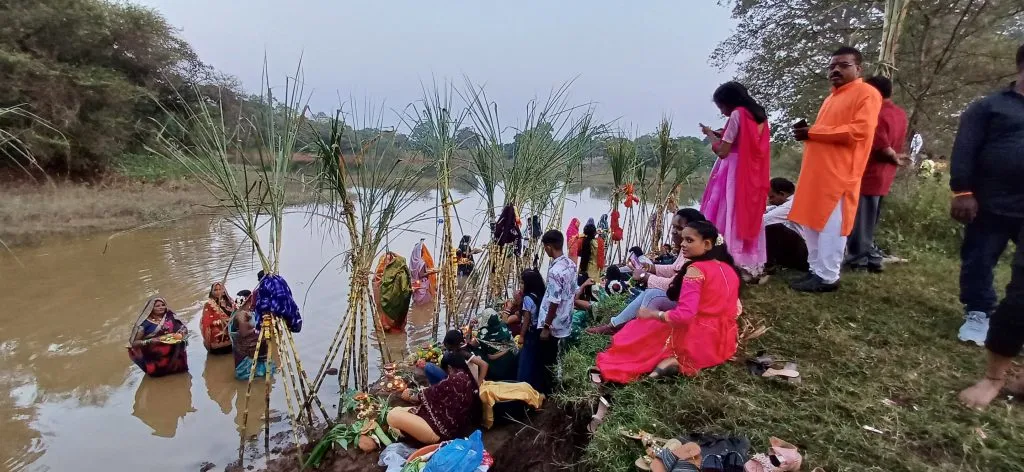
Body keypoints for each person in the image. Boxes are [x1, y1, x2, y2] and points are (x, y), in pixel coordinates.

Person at [955, 44, 1024, 409]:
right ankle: (978, 312)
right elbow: (965, 148)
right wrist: (963, 190)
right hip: (991, 203)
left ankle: (1013, 332)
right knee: (980, 258)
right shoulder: (991, 108)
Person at [594, 221, 741, 383]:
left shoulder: (696, 270)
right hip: (724, 341)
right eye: (683, 239)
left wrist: (654, 314)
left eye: (689, 240)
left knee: (637, 332)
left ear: (707, 244)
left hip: (698, 339)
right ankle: (672, 362)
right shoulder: (728, 268)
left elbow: (685, 315)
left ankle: (674, 360)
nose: (683, 244)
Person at [789, 46, 883, 292]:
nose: (835, 70)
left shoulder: (867, 93)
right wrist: (808, 134)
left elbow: (858, 132)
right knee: (810, 222)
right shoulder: (832, 97)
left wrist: (813, 132)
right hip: (816, 172)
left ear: (858, 68)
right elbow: (826, 134)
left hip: (840, 175)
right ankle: (815, 270)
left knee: (831, 227)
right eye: (832, 66)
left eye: (843, 65)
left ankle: (828, 277)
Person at [586, 208, 706, 335]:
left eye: (679, 228)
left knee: (652, 294)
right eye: (673, 227)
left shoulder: (694, 252)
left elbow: (674, 284)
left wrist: (645, 276)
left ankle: (635, 335)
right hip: (682, 298)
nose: (674, 232)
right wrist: (651, 268)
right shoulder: (686, 247)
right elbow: (674, 269)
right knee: (650, 293)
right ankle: (615, 325)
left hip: (690, 306)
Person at [700, 81, 772, 283]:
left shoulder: (737, 114)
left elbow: (723, 151)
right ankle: (749, 262)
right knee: (747, 216)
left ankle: (727, 261)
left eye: (722, 107)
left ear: (729, 102)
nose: (723, 112)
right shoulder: (760, 118)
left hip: (733, 172)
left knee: (727, 213)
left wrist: (710, 137)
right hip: (753, 173)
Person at [845, 75, 909, 273]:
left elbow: (881, 145)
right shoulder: (899, 114)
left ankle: (859, 261)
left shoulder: (877, 113)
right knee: (869, 220)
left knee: (860, 221)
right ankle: (872, 258)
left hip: (868, 174)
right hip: (884, 176)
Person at [524, 229, 577, 394]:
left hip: (553, 324)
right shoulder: (571, 265)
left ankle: (549, 393)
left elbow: (554, 300)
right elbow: (571, 292)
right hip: (565, 319)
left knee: (548, 360)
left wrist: (546, 326)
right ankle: (558, 387)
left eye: (545, 247)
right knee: (558, 357)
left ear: (548, 247)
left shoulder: (555, 271)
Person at [388, 352, 480, 444]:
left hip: (440, 433)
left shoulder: (453, 381)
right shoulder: (466, 377)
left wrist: (409, 397)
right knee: (398, 409)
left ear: (449, 368)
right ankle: (409, 433)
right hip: (449, 426)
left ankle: (412, 439)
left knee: (391, 416)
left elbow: (421, 396)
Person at [127, 297, 189, 377]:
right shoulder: (144, 324)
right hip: (156, 357)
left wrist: (182, 332)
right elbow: (134, 343)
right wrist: (150, 341)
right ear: (151, 308)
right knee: (157, 377)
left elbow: (182, 327)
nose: (161, 307)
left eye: (163, 305)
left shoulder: (170, 316)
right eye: (157, 306)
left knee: (181, 376)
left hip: (175, 354)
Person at [763, 177, 809, 271]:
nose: (770, 201)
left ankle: (768, 264)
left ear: (782, 194)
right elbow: (770, 210)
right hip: (807, 252)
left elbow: (764, 220)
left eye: (772, 197)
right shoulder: (796, 200)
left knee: (772, 227)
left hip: (807, 256)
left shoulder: (790, 205)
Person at [229, 290, 275, 380]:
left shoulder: (246, 312)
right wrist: (257, 329)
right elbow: (244, 333)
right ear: (249, 300)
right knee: (253, 377)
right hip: (246, 351)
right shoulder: (241, 315)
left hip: (247, 349)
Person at [504, 268, 544, 337]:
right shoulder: (537, 295)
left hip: (530, 331)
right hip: (537, 328)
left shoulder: (527, 299)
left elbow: (526, 320)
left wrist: (508, 308)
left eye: (522, 283)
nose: (520, 285)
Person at [201, 282, 236, 354]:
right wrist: (221, 321)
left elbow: (236, 312)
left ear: (224, 290)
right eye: (216, 290)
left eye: (220, 289)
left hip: (230, 331)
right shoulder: (208, 305)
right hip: (218, 334)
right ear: (212, 292)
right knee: (216, 331)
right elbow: (206, 320)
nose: (218, 292)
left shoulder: (230, 301)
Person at [410, 239, 438, 305]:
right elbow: (422, 274)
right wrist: (433, 272)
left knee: (416, 304)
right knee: (425, 304)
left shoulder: (413, 261)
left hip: (416, 284)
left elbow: (420, 272)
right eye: (422, 250)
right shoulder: (421, 262)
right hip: (422, 285)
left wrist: (431, 270)